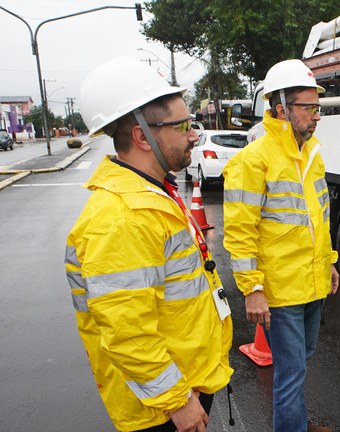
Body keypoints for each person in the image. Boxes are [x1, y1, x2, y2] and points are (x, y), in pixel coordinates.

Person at [65, 56, 233, 432]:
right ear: (142, 136)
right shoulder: (121, 216)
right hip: (161, 409)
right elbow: (127, 333)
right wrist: (178, 402)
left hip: (181, 387)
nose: (194, 134)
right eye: (184, 125)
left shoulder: (152, 194)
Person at [223, 59, 339, 432]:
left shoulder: (311, 155)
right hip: (280, 290)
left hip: (312, 283)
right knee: (291, 370)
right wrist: (253, 289)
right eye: (309, 107)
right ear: (282, 109)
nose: (317, 115)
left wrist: (330, 262)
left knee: (301, 361)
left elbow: (318, 219)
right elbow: (240, 232)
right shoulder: (253, 160)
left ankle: (297, 423)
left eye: (317, 107)